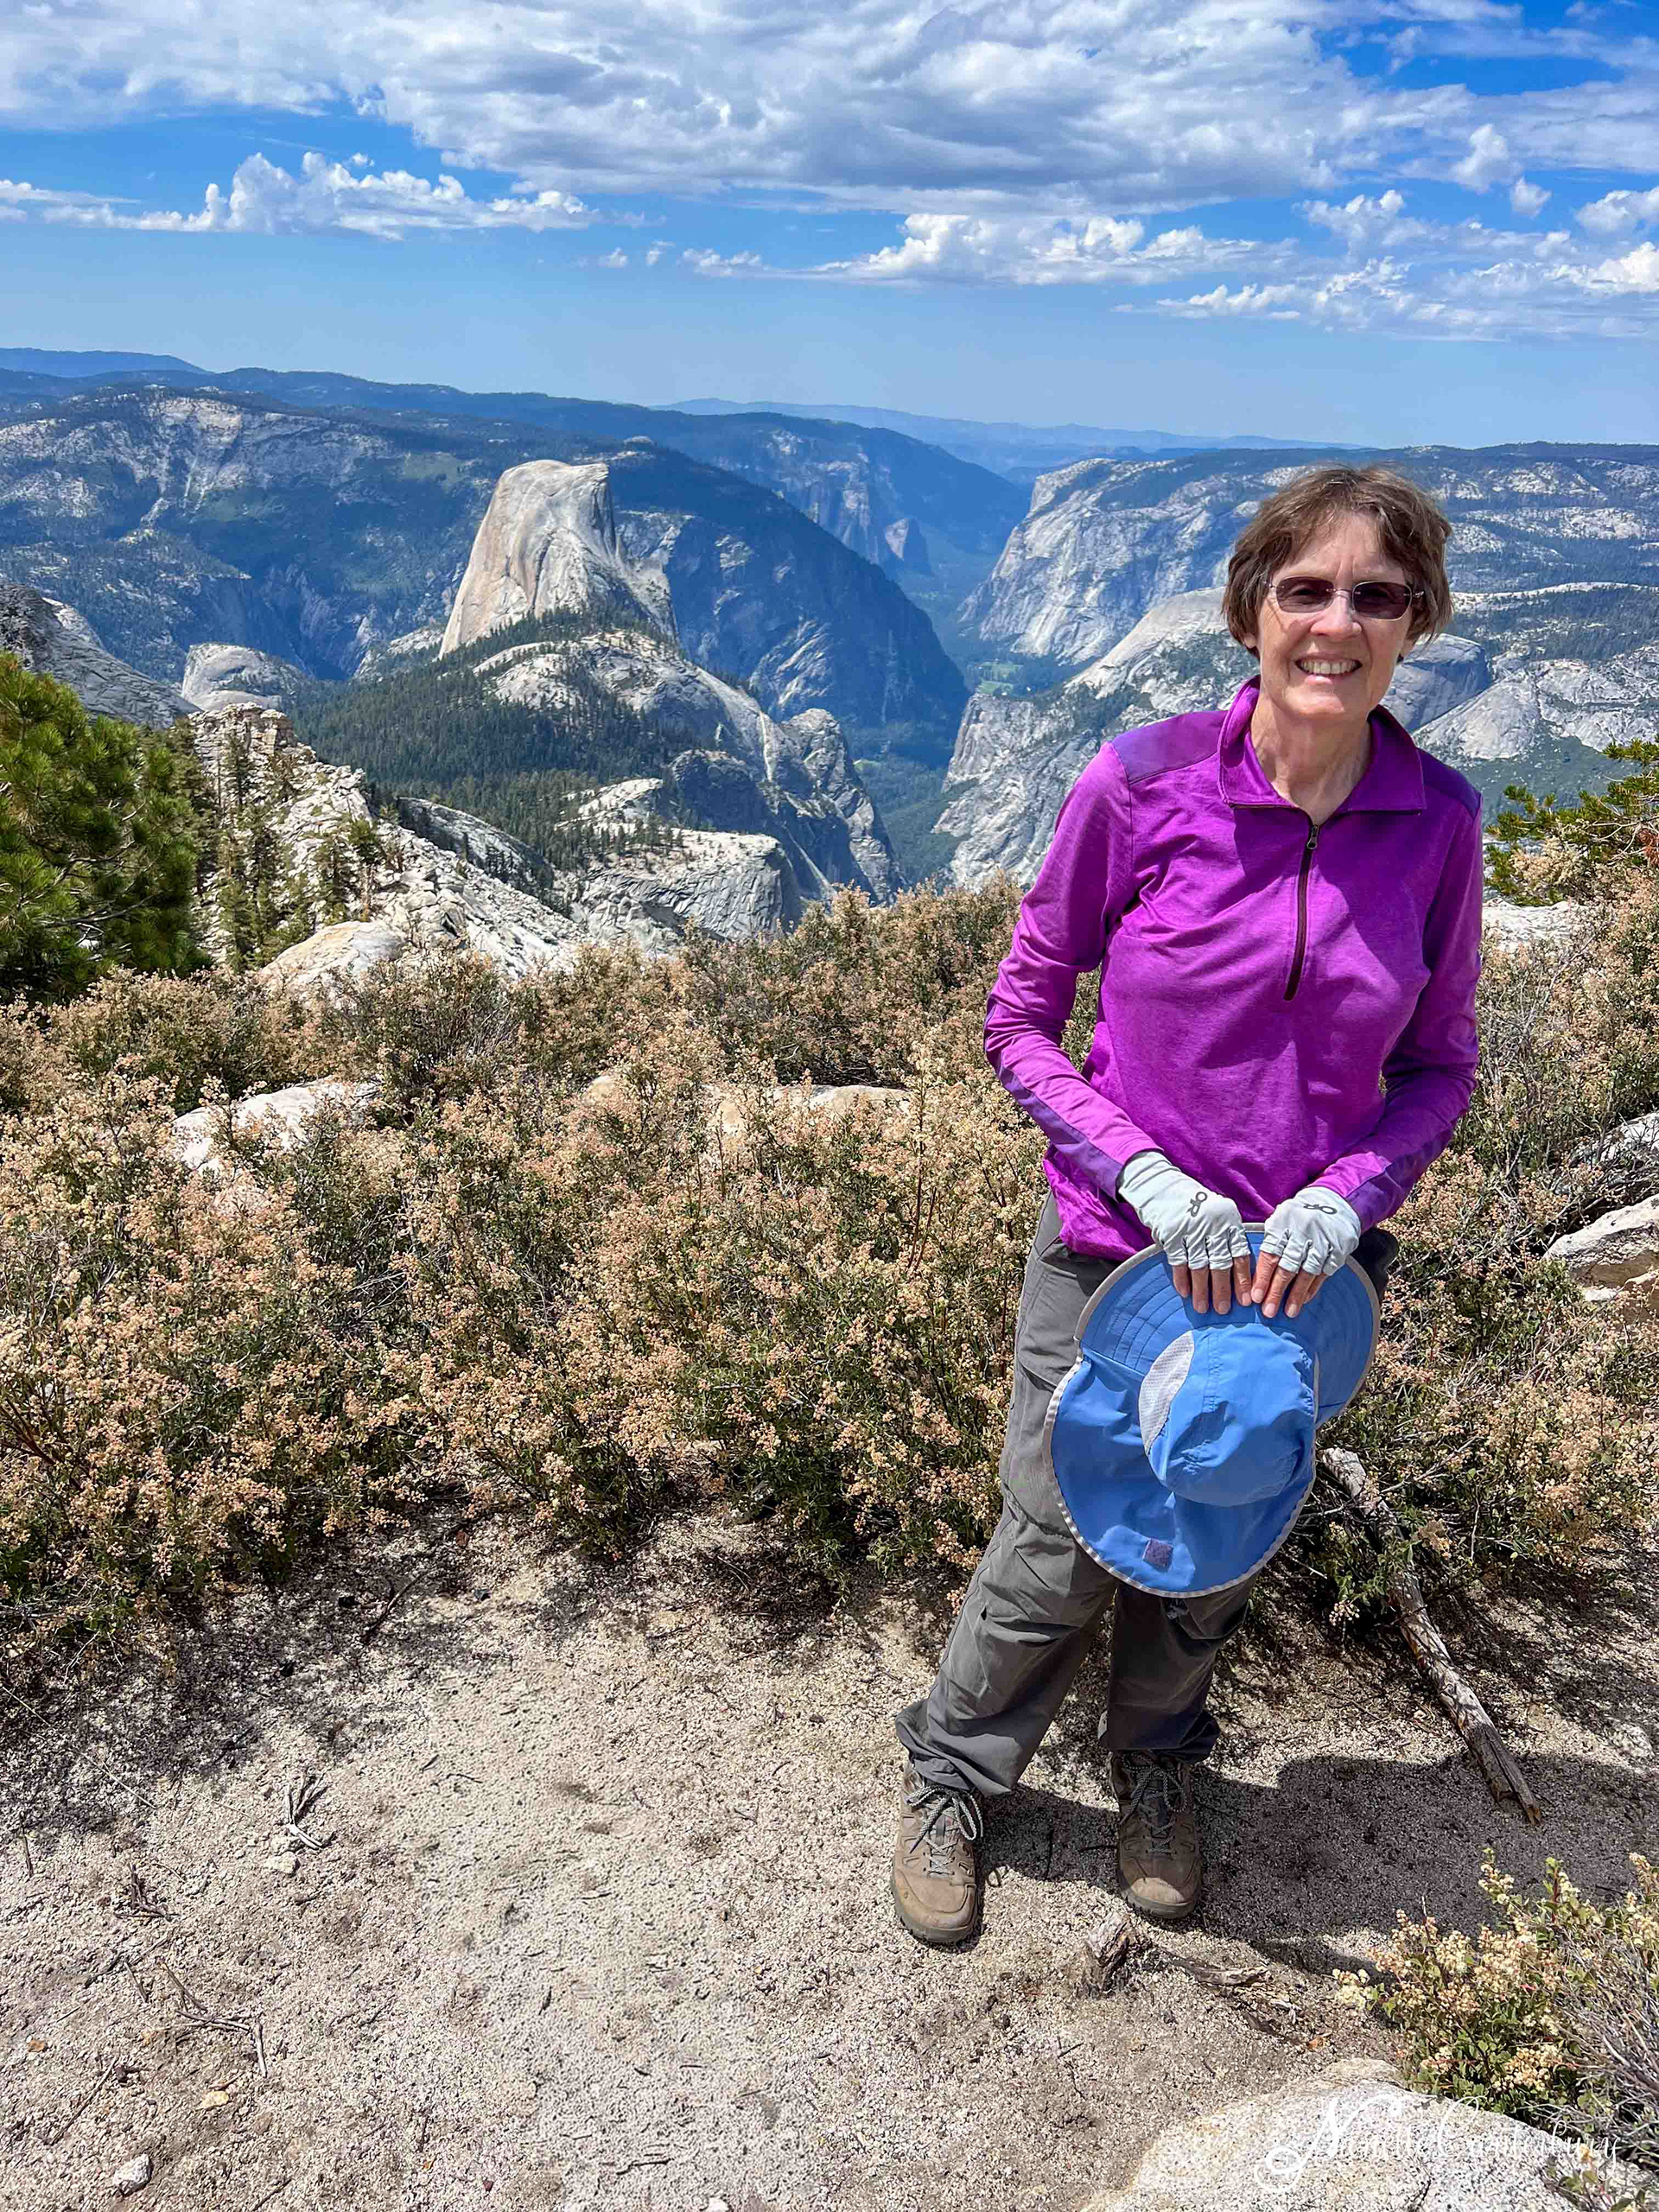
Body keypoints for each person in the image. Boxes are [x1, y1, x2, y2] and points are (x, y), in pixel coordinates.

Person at [892, 464, 1484, 1947]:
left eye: (1376, 596)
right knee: (1051, 1533)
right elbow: (1020, 1019)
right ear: (1251, 609)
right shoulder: (1141, 781)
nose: (1336, 623)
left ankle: (1158, 1766)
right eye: (1306, 589)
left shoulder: (1438, 823)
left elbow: (1439, 1066)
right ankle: (956, 1772)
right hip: (1114, 1251)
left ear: (1415, 625)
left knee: (1214, 1523)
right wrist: (1137, 1167)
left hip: (1298, 1277)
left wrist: (1354, 1199)